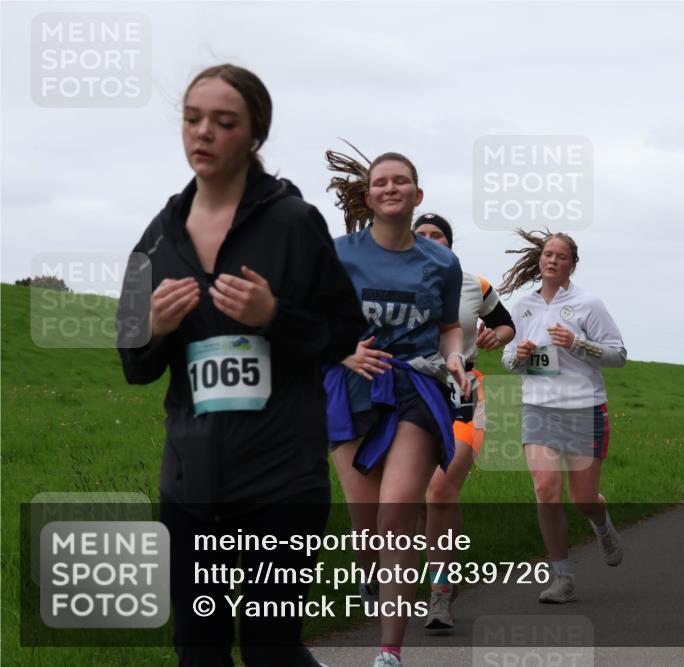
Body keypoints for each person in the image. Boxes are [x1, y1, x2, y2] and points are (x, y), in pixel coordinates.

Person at [116, 64, 365, 666]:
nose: (203, 132)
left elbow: (343, 333)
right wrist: (155, 328)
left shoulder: (295, 224)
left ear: (255, 134)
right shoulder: (157, 238)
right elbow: (133, 364)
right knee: (197, 649)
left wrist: (273, 315)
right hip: (190, 486)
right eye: (192, 119)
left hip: (282, 483)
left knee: (270, 648)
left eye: (224, 122)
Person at [323, 146, 469, 667]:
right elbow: (309, 318)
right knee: (366, 529)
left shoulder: (442, 262)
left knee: (395, 515)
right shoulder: (338, 254)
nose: (391, 187)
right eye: (381, 181)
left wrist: (455, 358)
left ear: (417, 193)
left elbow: (449, 327)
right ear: (367, 196)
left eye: (400, 180)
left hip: (416, 386)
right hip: (352, 387)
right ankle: (372, 574)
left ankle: (389, 652)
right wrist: (344, 350)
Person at [500, 229, 627, 603]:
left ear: (572, 264)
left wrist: (578, 343)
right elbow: (508, 360)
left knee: (584, 499)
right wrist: (518, 356)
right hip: (539, 408)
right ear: (540, 260)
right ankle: (563, 577)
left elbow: (618, 355)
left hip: (584, 409)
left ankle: (601, 525)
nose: (552, 260)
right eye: (547, 254)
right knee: (545, 489)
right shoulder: (523, 306)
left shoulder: (588, 304)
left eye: (561, 256)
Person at [412, 213, 516, 629]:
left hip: (463, 390)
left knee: (440, 488)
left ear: (450, 244)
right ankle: (445, 572)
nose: (430, 239)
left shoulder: (474, 284)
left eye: (438, 235)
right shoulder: (394, 281)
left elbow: (505, 324)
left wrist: (496, 336)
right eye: (421, 234)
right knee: (421, 497)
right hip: (412, 391)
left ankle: (439, 595)